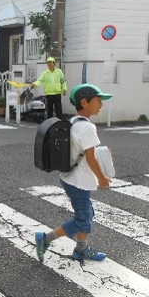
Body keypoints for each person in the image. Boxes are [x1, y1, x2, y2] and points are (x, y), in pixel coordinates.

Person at [35, 84, 113, 263]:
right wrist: (102, 178)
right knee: (82, 219)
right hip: (79, 181)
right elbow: (91, 159)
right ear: (84, 102)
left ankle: (81, 250)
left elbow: (80, 151)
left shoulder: (73, 122)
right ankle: (45, 239)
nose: (101, 104)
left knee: (87, 214)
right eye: (98, 101)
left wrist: (101, 151)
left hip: (71, 178)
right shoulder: (87, 127)